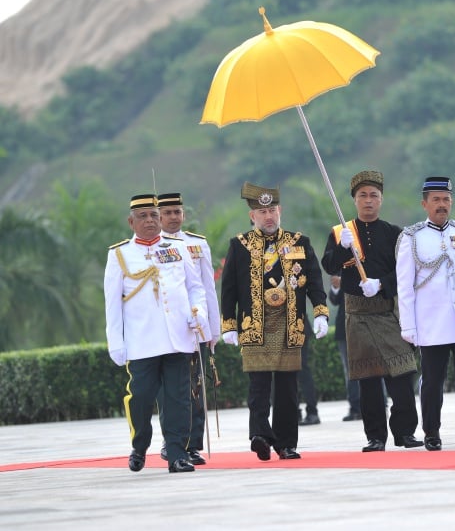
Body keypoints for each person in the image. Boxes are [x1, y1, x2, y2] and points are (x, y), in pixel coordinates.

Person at [219, 182, 329, 461]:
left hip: (290, 324)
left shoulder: (298, 242)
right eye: (261, 211)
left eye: (272, 210)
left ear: (280, 211)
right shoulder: (239, 245)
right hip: (255, 324)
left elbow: (315, 280)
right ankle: (259, 435)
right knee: (258, 386)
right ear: (252, 216)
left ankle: (286, 443)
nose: (268, 216)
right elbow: (229, 287)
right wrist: (229, 324)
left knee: (288, 388)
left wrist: (319, 311)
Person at [104, 193, 209, 474]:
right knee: (140, 398)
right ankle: (140, 445)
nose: (150, 221)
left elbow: (195, 287)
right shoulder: (120, 254)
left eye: (153, 215)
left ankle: (177, 454)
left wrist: (197, 311)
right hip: (141, 342)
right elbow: (112, 304)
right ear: (131, 221)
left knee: (179, 399)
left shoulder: (178, 247)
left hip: (178, 338)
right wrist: (116, 342)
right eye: (143, 216)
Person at [320, 170, 423, 453]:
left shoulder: (394, 233)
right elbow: (328, 266)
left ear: (381, 199)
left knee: (402, 374)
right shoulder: (342, 232)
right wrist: (342, 250)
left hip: (387, 311)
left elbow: (405, 274)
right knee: (368, 380)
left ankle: (405, 432)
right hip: (357, 315)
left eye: (373, 195)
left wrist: (382, 285)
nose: (368, 201)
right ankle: (375, 436)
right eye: (363, 195)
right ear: (354, 200)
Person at [397, 176, 455, 451]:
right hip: (432, 322)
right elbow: (405, 287)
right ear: (424, 204)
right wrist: (409, 325)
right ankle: (432, 432)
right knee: (432, 382)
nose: (442, 205)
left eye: (446, 200)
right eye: (436, 200)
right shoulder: (412, 237)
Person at [155, 192, 221, 465]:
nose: (173, 217)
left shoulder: (197, 244)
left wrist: (213, 329)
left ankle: (193, 444)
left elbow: (207, 288)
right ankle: (171, 441)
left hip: (194, 327)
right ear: (158, 216)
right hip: (165, 329)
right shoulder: (151, 247)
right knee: (168, 390)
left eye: (177, 212)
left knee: (196, 386)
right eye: (167, 213)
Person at [329, 274, 362, 421]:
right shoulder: (340, 262)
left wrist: (346, 281)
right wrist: (336, 286)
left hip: (367, 322)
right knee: (349, 370)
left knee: (374, 366)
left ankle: (379, 404)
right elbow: (335, 300)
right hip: (344, 326)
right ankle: (354, 407)